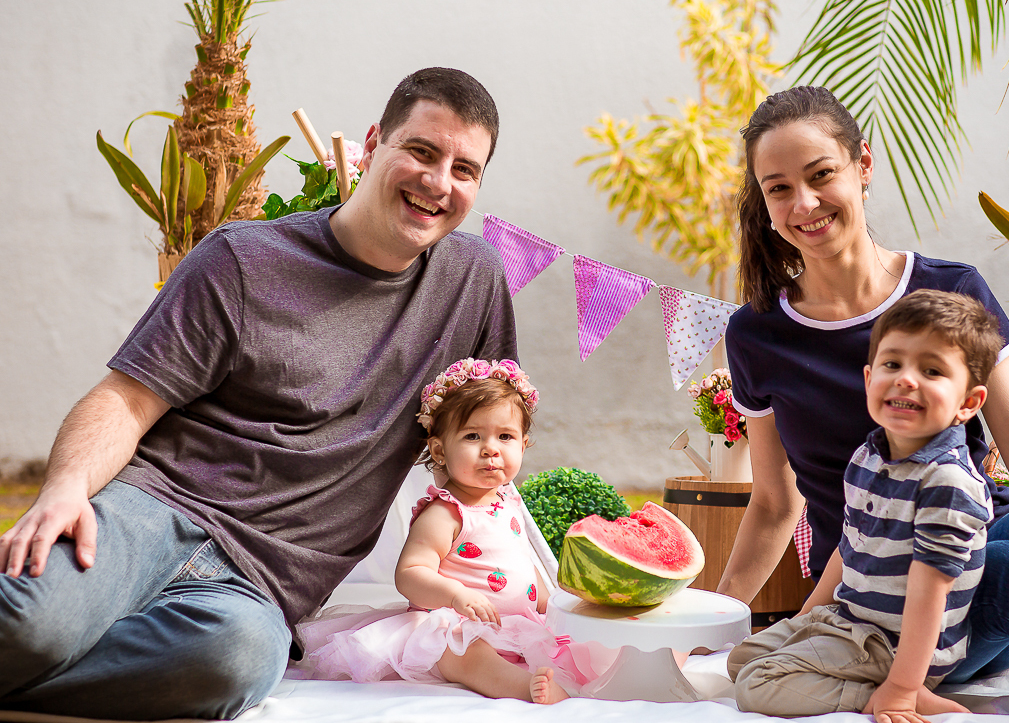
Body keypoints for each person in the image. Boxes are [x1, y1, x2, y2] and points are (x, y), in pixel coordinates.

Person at [0, 67, 518, 720]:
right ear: (371, 144)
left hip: (261, 586)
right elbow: (125, 399)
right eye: (420, 151)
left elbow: (493, 436)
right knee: (29, 626)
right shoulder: (242, 259)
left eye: (464, 169)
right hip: (156, 511)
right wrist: (66, 489)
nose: (438, 182)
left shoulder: (473, 281)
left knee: (236, 665)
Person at [715, 85, 1009, 723]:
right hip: (878, 606)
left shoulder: (950, 290)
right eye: (778, 187)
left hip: (974, 537)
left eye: (821, 174)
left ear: (863, 167)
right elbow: (776, 505)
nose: (803, 202)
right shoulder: (757, 333)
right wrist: (713, 624)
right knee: (997, 564)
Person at [729, 290, 1001, 720]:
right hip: (852, 622)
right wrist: (806, 619)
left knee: (757, 686)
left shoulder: (946, 482)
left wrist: (903, 686)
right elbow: (849, 544)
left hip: (899, 646)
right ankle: (869, 678)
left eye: (931, 370)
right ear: (869, 377)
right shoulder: (868, 456)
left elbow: (931, 596)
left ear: (968, 403)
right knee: (741, 660)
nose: (906, 379)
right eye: (893, 364)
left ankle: (883, 695)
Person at [299, 359, 603, 704]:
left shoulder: (507, 502)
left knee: (564, 645)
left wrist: (551, 604)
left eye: (505, 436)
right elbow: (411, 574)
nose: (491, 448)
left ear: (523, 445)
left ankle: (547, 669)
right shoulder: (446, 513)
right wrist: (456, 595)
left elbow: (519, 562)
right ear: (440, 450)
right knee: (469, 656)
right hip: (451, 624)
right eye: (473, 436)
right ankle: (522, 687)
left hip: (514, 623)